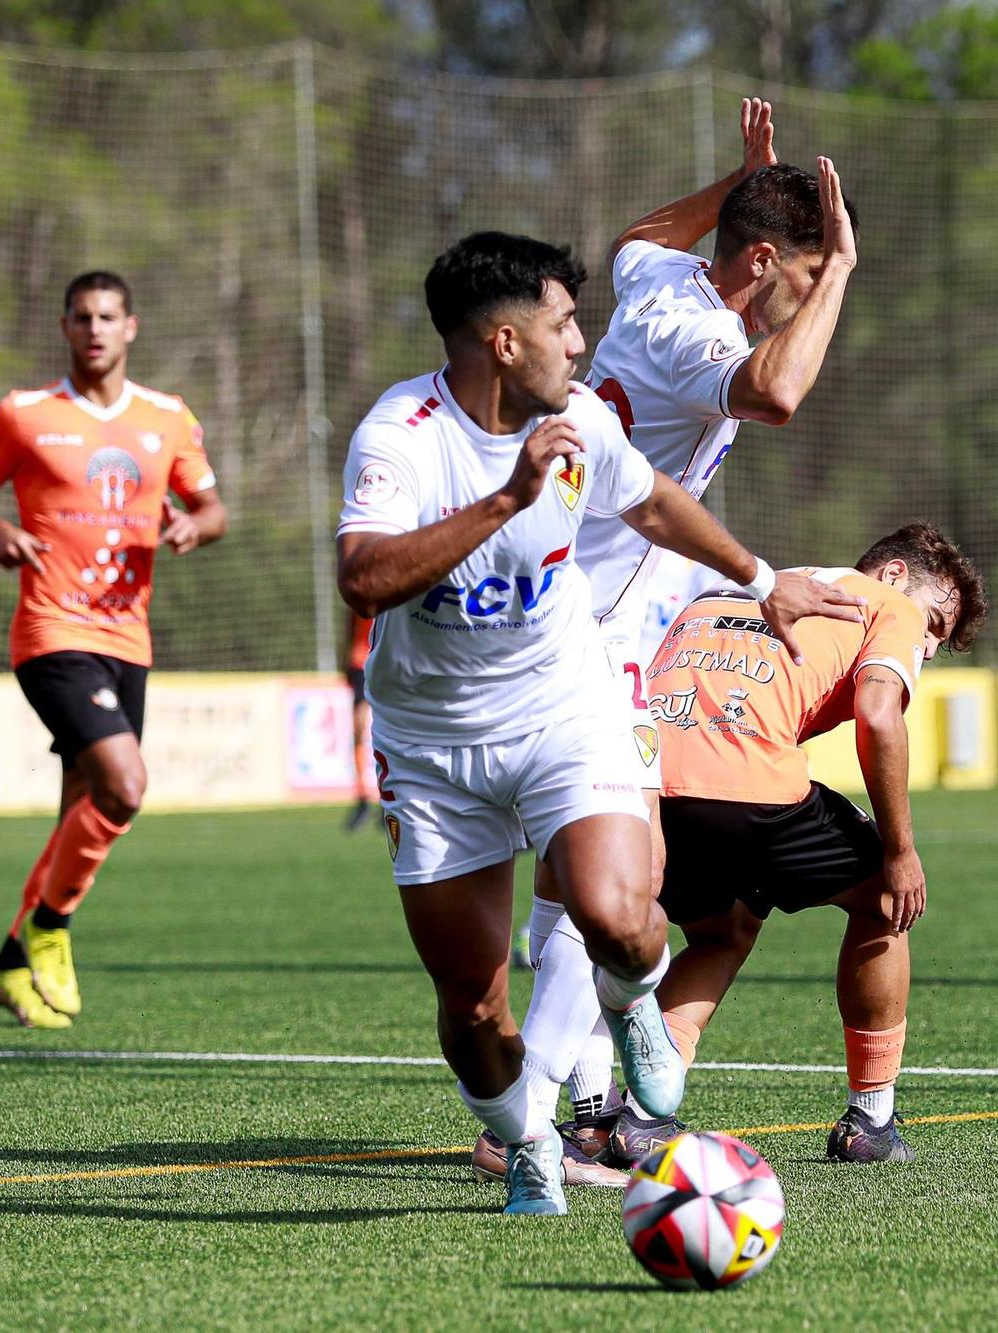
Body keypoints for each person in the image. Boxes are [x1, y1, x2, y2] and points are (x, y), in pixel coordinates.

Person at [334, 230, 860, 1216]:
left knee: (619, 913)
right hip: (434, 749)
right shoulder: (400, 434)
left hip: (564, 707)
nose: (580, 344)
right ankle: (525, 1137)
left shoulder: (577, 419)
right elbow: (363, 576)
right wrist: (507, 499)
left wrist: (760, 579)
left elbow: (655, 501)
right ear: (501, 341)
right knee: (473, 1009)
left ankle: (628, 1012)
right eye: (562, 324)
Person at [491, 98, 861, 1174]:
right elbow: (777, 392)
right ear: (761, 261)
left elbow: (640, 236)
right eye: (793, 279)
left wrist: (742, 174)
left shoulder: (661, 281)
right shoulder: (701, 334)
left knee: (594, 879)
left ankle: (575, 1110)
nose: (802, 301)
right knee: (623, 878)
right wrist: (841, 263)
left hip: (571, 618)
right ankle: (537, 1118)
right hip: (590, 631)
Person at [644, 524, 985, 1164]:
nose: (930, 646)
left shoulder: (730, 590)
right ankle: (872, 1120)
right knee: (886, 897)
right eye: (936, 622)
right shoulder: (885, 605)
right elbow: (879, 716)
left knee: (722, 932)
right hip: (747, 785)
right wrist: (900, 851)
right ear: (892, 576)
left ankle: (636, 1114)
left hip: (644, 787)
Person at [0, 271, 228, 1030]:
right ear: (64, 327)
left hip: (126, 637)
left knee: (86, 804)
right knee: (126, 784)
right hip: (52, 629)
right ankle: (50, 926)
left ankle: (10, 960)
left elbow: (211, 506)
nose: (95, 328)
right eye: (81, 317)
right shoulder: (25, 414)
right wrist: (1, 531)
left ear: (131, 326)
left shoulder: (167, 418)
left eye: (108, 316)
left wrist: (193, 527)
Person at [342, 611, 375, 832]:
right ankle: (363, 798)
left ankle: (388, 798)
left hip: (385, 659)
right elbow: (350, 626)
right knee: (359, 731)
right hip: (360, 661)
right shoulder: (360, 584)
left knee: (387, 728)